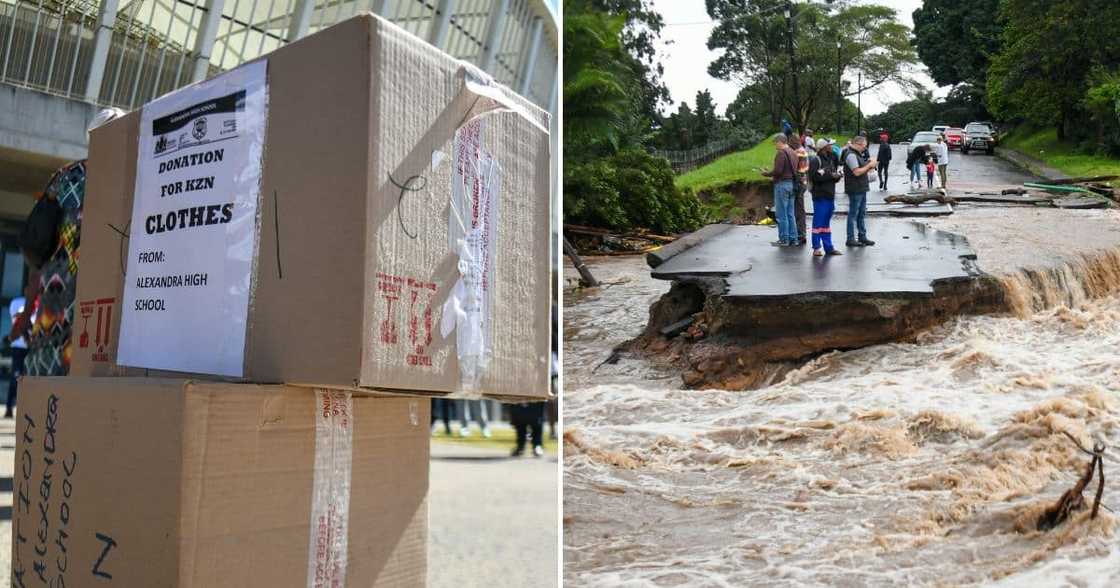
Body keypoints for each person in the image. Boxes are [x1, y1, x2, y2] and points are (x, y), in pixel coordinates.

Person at [760, 134, 798, 246]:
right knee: (790, 214)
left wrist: (766, 173)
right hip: (792, 184)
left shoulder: (781, 153)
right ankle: (793, 239)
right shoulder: (792, 152)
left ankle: (784, 239)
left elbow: (778, 171)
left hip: (782, 185)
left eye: (775, 143)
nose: (775, 145)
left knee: (781, 214)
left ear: (780, 142)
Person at [808, 140, 844, 256]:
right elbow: (814, 178)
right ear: (824, 147)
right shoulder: (815, 160)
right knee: (818, 222)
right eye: (830, 145)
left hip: (829, 194)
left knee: (826, 223)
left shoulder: (831, 158)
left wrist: (837, 177)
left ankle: (829, 248)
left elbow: (831, 174)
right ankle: (816, 248)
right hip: (820, 195)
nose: (832, 146)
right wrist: (830, 175)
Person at [841, 136, 877, 247]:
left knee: (861, 213)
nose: (864, 149)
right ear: (858, 144)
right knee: (853, 214)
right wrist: (869, 165)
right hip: (855, 188)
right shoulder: (851, 155)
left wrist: (868, 164)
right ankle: (850, 238)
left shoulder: (856, 154)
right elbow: (856, 172)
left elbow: (861, 168)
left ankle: (862, 236)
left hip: (861, 187)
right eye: (864, 146)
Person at [5, 294, 31, 418]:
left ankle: (17, 408)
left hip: (27, 347)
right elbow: (17, 319)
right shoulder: (19, 302)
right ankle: (10, 407)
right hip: (19, 346)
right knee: (16, 377)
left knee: (22, 378)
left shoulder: (32, 302)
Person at [789, 133, 810, 245]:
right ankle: (800, 234)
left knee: (798, 210)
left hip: (798, 183)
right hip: (803, 182)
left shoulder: (797, 152)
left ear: (793, 141)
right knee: (799, 209)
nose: (789, 144)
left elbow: (795, 170)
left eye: (790, 142)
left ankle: (800, 235)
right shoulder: (803, 150)